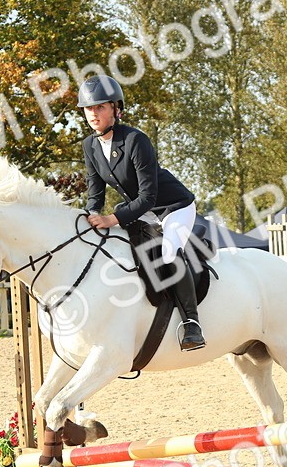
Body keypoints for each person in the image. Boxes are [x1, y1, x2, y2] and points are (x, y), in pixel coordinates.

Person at [79, 74, 204, 351]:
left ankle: (192, 323)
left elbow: (148, 196)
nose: (94, 113)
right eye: (89, 108)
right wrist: (88, 216)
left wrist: (111, 219)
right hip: (141, 211)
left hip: (173, 207)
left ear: (116, 109)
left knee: (169, 252)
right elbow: (95, 193)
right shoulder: (90, 146)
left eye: (100, 107)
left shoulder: (136, 140)